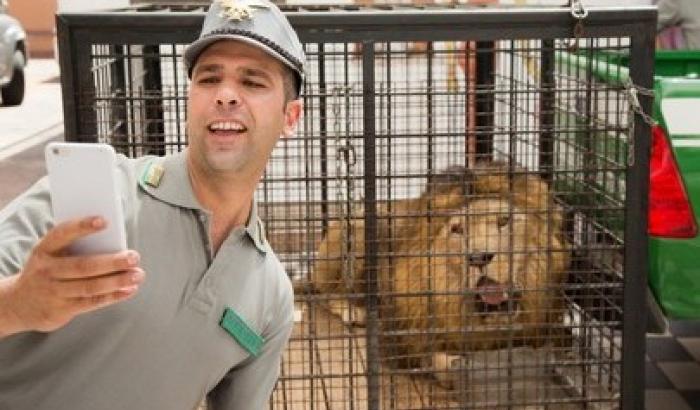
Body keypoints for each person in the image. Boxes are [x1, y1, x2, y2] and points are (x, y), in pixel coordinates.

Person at [0, 0, 304, 408]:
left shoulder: (270, 296)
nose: (226, 95)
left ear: (290, 117)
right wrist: (17, 303)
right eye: (209, 79)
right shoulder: (95, 200)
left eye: (252, 82)